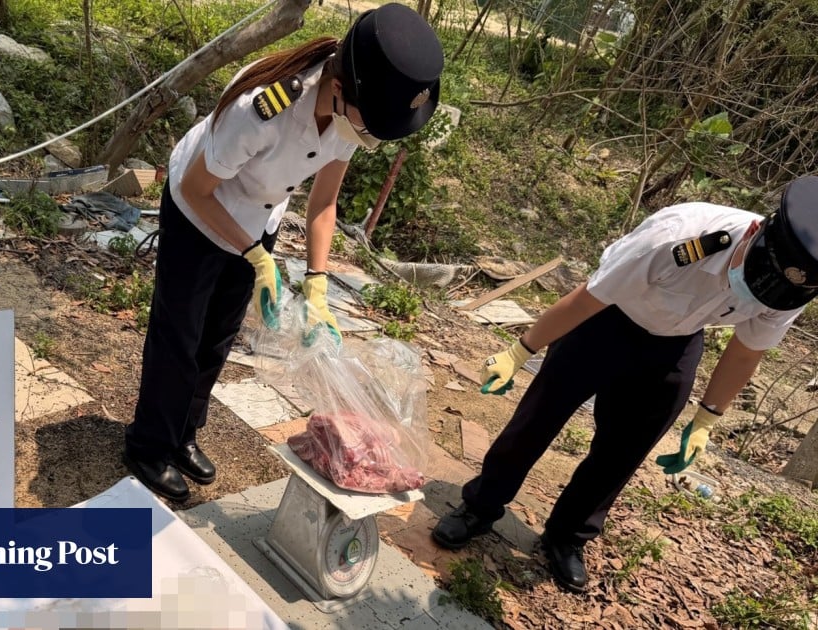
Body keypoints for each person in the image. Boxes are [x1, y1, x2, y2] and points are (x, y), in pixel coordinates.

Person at [431, 176, 818, 593]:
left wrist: (707, 418)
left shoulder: (790, 286)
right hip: (605, 319)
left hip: (677, 341)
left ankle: (567, 536)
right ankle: (480, 506)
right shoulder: (674, 237)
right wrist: (520, 351)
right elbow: (586, 298)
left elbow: (746, 352)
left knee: (624, 450)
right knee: (538, 418)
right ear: (757, 230)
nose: (762, 290)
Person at [123, 4, 445, 502]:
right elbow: (196, 188)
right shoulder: (261, 109)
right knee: (179, 336)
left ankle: (182, 435)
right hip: (200, 210)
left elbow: (324, 203)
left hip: (258, 218)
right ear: (339, 88)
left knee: (218, 337)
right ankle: (148, 446)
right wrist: (256, 257)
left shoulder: (351, 112)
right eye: (371, 126)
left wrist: (317, 284)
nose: (369, 137)